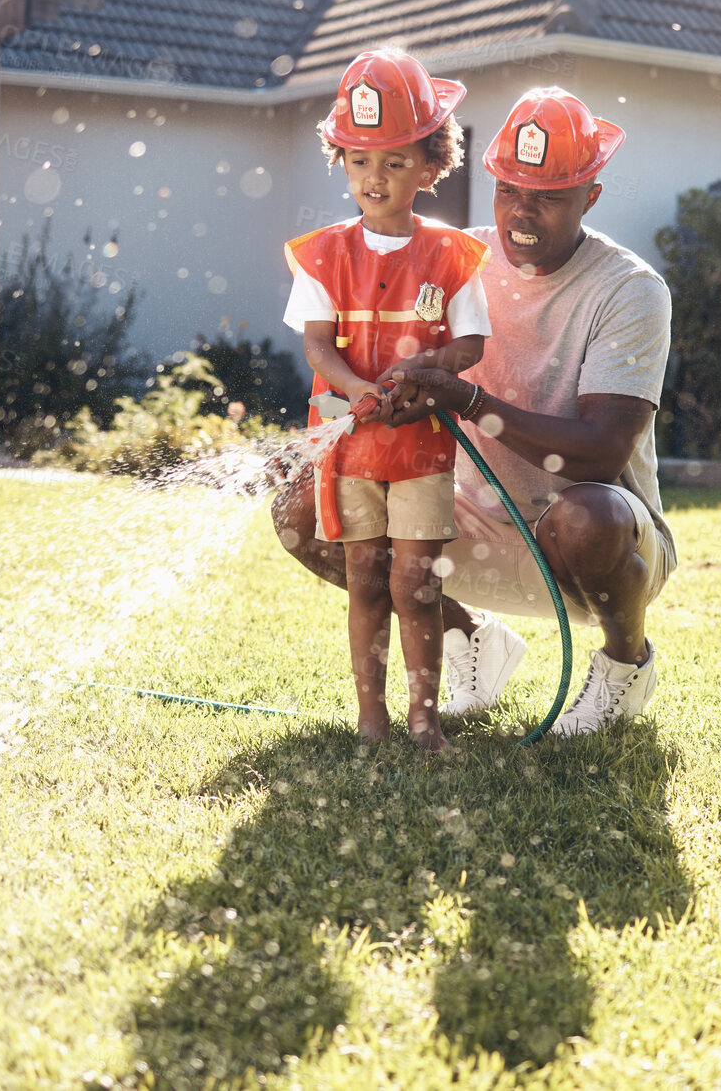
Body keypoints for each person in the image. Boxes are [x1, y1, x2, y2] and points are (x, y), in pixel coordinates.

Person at [273, 86, 676, 735]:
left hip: (582, 539)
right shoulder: (454, 259)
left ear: (589, 197)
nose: (522, 213)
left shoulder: (628, 290)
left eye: (546, 197)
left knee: (589, 517)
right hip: (462, 521)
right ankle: (468, 639)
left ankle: (624, 664)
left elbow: (603, 450)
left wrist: (467, 399)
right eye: (509, 189)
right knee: (302, 511)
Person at [282, 49, 493, 751]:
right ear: (339, 160)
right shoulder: (321, 255)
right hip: (349, 444)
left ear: (432, 167)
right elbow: (317, 347)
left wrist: (425, 372)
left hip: (420, 447)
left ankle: (423, 716)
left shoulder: (452, 256)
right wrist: (357, 388)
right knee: (366, 579)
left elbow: (470, 347)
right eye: (359, 161)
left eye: (396, 163)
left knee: (416, 583)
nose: (375, 178)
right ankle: (371, 719)